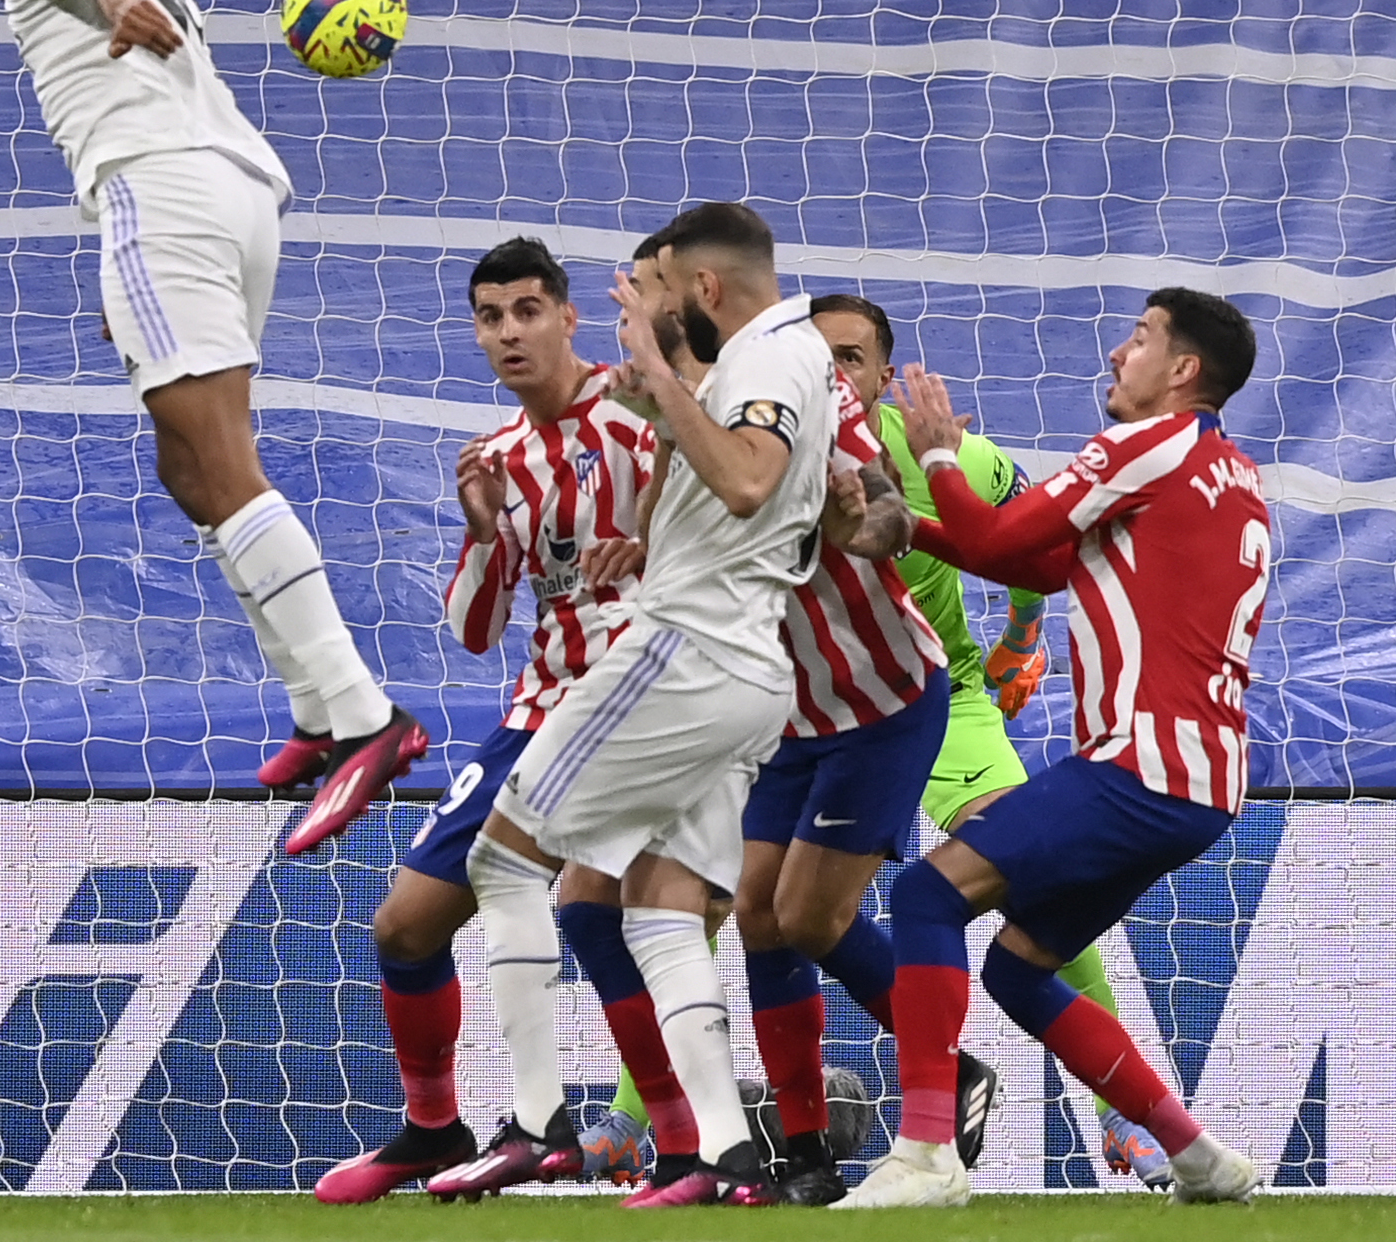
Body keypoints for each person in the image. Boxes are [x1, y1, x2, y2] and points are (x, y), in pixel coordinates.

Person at [0, 0, 426, 855]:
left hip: (161, 192)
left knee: (221, 462)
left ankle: (370, 719)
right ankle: (316, 706)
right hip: (230, 195)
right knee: (188, 466)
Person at [428, 202, 836, 1208]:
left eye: (645, 291)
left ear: (698, 290)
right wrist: (664, 411)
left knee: (503, 858)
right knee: (659, 903)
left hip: (684, 650)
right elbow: (717, 498)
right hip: (745, 663)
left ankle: (533, 1124)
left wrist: (657, 380)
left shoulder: (769, 360)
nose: (633, 313)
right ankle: (728, 1156)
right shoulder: (770, 361)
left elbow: (746, 482)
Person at [835, 286, 1270, 1209]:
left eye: (1141, 338)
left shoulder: (1143, 445)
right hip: (1203, 780)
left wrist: (938, 456)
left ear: (1184, 371)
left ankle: (924, 1156)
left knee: (923, 895)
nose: (1120, 354)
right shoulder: (1231, 474)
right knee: (1018, 967)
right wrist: (915, 526)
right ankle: (1194, 1153)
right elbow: (1030, 563)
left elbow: (1002, 532)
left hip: (1136, 765)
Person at [311, 238, 653, 1202]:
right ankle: (433, 1129)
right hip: (538, 711)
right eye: (491, 317)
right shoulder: (497, 457)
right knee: (406, 927)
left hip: (647, 704)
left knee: (651, 917)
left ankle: (608, 1131)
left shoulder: (638, 418)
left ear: (568, 316)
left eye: (528, 310)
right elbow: (474, 631)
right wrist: (478, 528)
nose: (510, 332)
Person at [733, 359, 949, 1206]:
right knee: (755, 909)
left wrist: (881, 519)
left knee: (806, 914)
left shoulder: (812, 402)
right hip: (789, 714)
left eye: (858, 358)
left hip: (883, 701)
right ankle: (806, 1151)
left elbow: (892, 505)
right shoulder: (679, 421)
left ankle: (947, 1070)